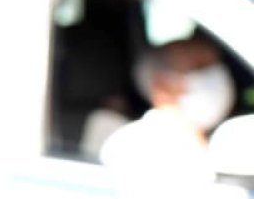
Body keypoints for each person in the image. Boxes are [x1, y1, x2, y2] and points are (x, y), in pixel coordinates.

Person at [98, 37, 229, 188]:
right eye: (199, 67)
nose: (216, 77)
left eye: (215, 65)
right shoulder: (130, 148)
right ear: (161, 85)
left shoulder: (215, 141)